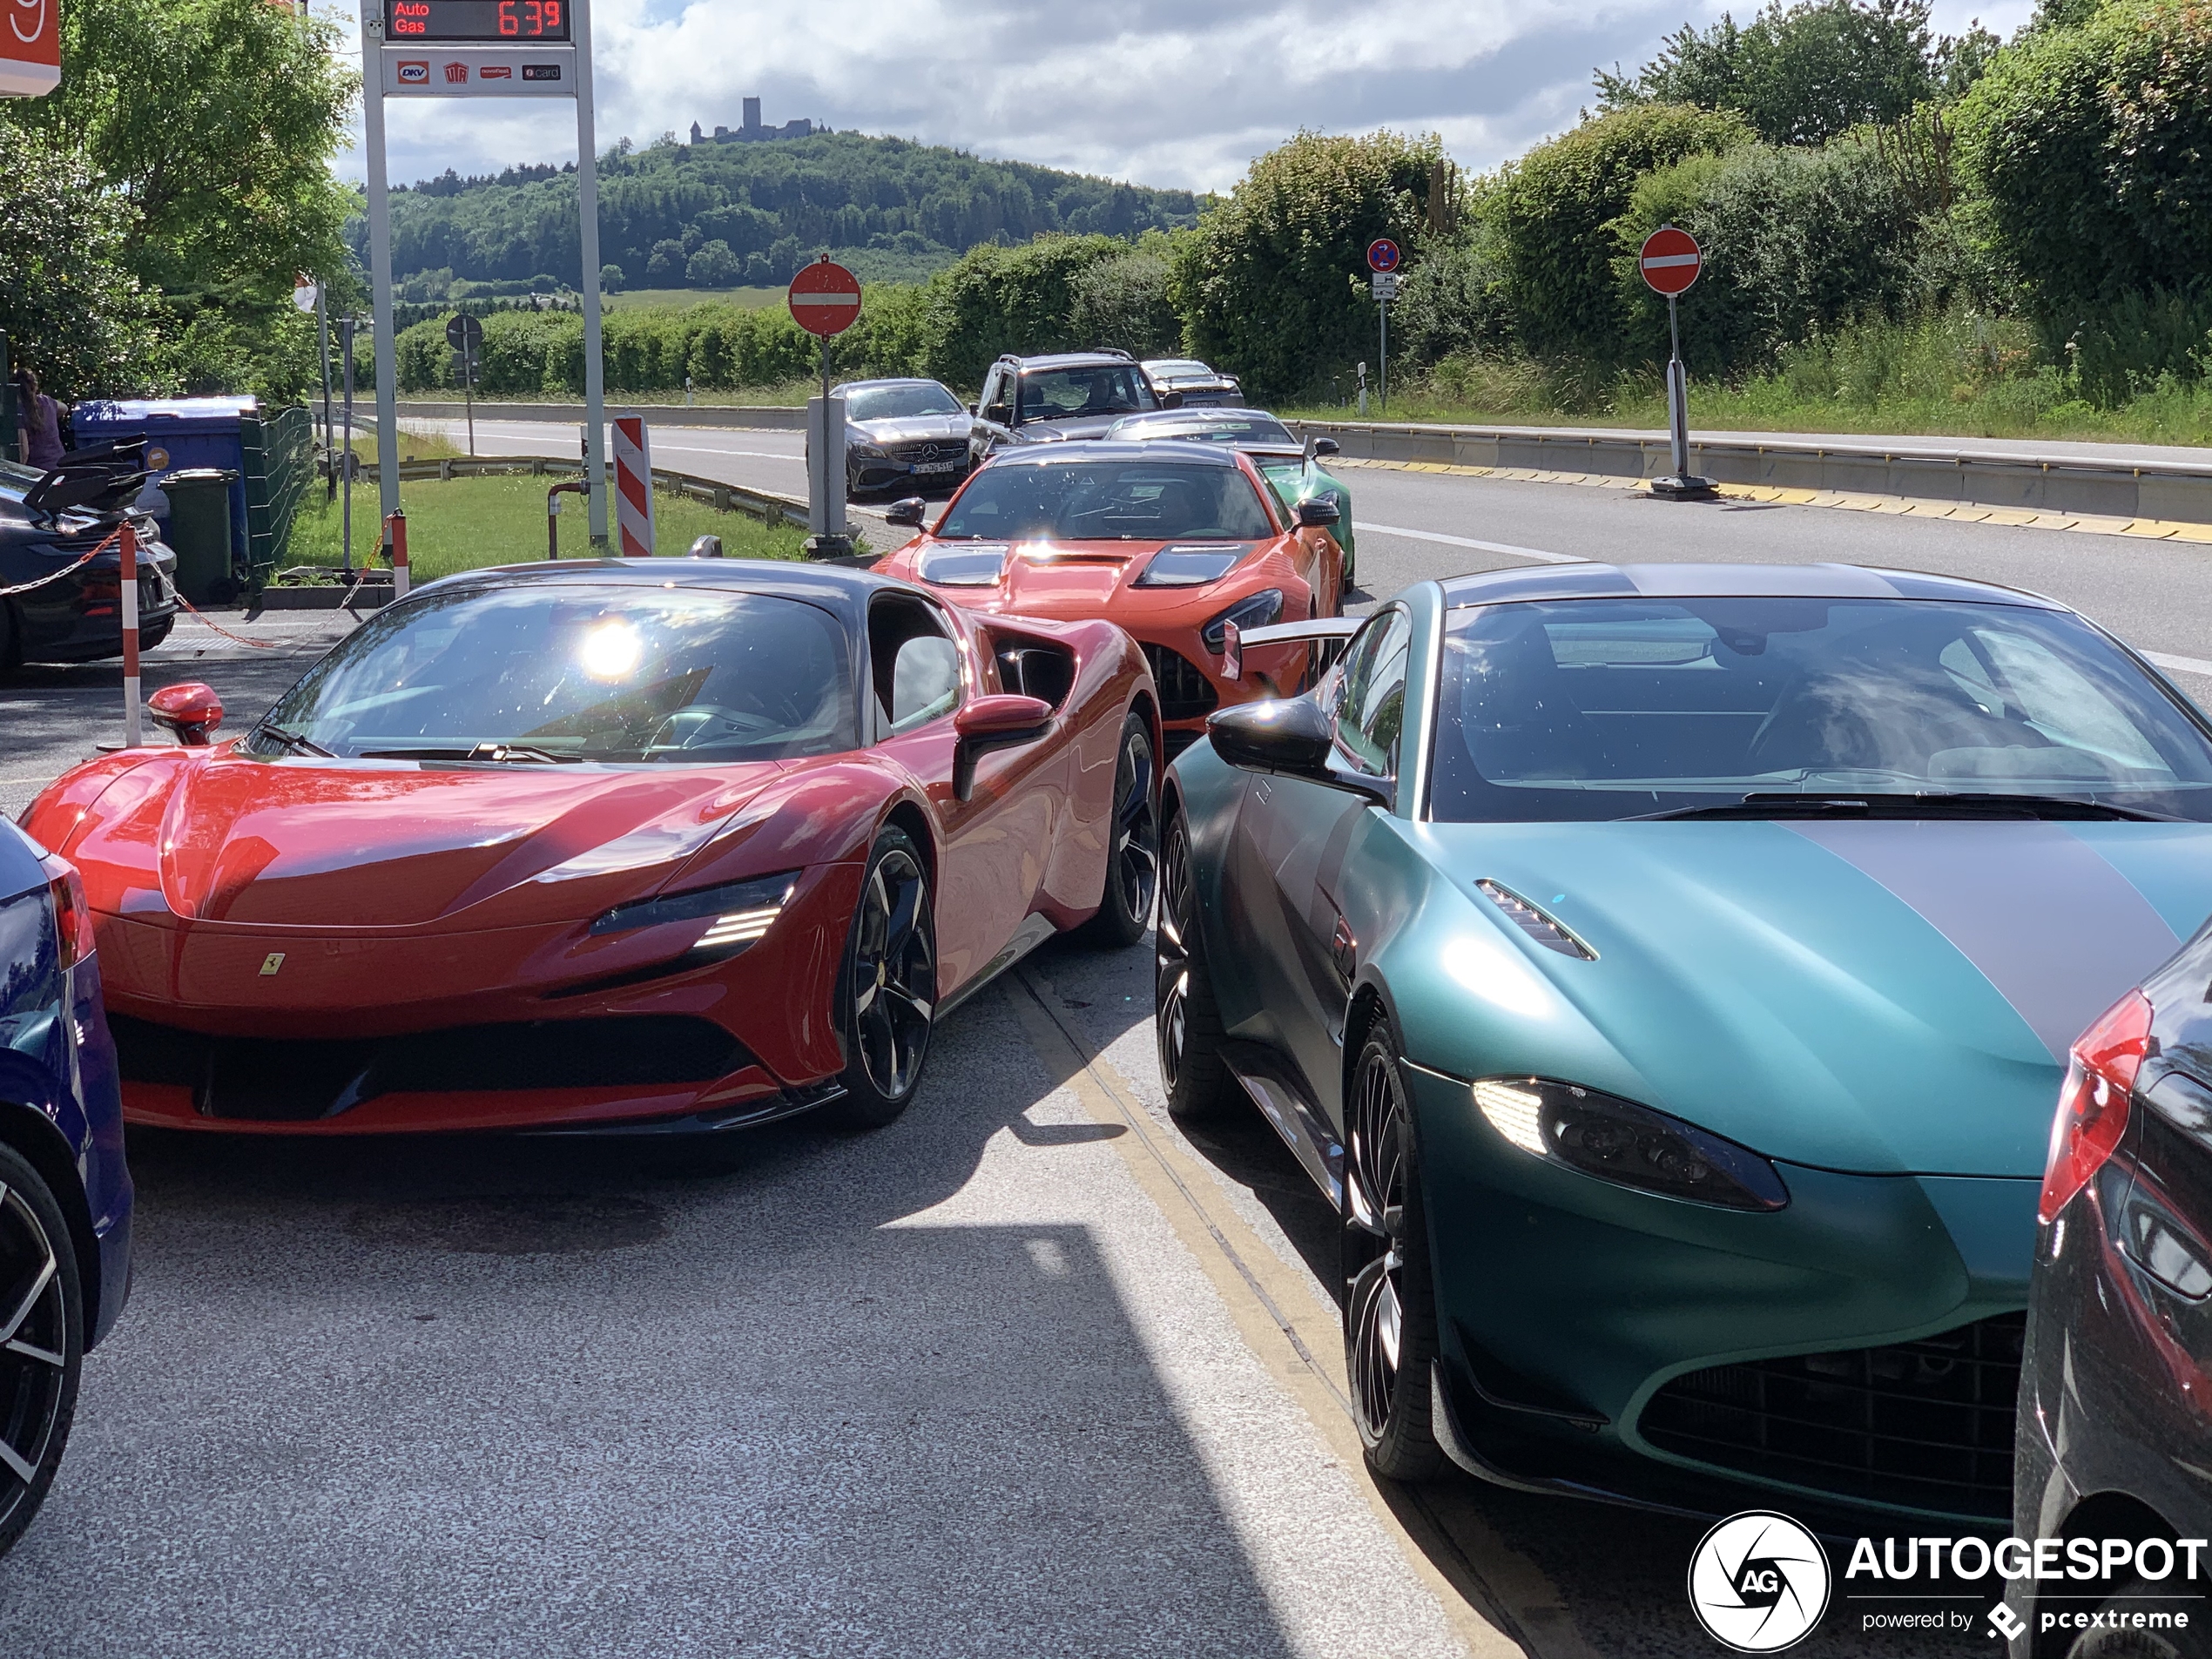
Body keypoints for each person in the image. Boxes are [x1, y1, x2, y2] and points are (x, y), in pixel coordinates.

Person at [13, 366, 65, 471]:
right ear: (35, 386)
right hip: (61, 466)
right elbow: (64, 408)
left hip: (38, 473)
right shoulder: (47, 402)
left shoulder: (19, 412)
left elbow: (24, 453)